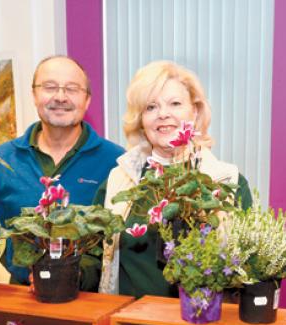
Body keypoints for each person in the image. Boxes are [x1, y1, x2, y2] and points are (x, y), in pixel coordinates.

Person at [88, 60, 253, 297]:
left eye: (175, 103)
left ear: (195, 111)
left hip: (199, 317)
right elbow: (93, 255)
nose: (163, 114)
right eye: (151, 107)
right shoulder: (118, 181)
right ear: (141, 120)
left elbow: (248, 266)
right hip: (127, 317)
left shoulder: (226, 181)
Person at [0, 55, 124, 285]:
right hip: (20, 296)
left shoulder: (116, 162)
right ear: (34, 95)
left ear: (87, 100)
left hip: (90, 297)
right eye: (49, 87)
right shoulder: (2, 159)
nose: (60, 97)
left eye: (72, 89)